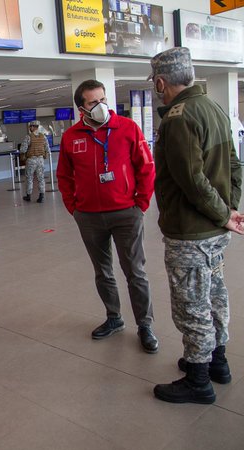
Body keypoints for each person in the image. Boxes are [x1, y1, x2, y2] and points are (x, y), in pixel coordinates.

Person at [149, 47, 244, 404]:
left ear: (161, 82)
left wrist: (222, 215)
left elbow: (192, 182)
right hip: (216, 232)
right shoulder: (214, 108)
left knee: (191, 303)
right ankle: (216, 361)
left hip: (191, 232)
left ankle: (198, 379)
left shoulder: (177, 118)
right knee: (215, 295)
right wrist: (230, 211)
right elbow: (234, 165)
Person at [57, 79, 158, 353]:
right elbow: (64, 176)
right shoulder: (71, 137)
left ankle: (145, 325)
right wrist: (74, 207)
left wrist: (141, 204)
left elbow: (146, 167)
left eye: (103, 100)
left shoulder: (127, 128)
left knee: (135, 272)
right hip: (88, 216)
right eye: (93, 102)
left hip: (127, 213)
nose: (100, 106)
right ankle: (114, 318)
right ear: (81, 108)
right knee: (102, 271)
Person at [20, 120, 50, 203]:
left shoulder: (28, 137)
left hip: (31, 160)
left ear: (33, 127)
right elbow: (47, 149)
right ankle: (42, 196)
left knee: (29, 178)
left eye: (30, 126)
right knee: (41, 178)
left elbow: (23, 149)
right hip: (40, 160)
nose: (30, 128)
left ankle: (28, 196)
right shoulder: (43, 136)